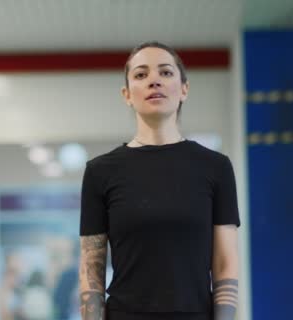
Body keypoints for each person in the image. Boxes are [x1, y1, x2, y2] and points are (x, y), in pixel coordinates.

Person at [78, 41, 241, 320]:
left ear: (184, 89)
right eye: (141, 75)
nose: (154, 80)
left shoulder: (216, 167)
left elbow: (225, 263)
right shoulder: (99, 171)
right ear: (127, 94)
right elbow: (91, 269)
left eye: (165, 73)